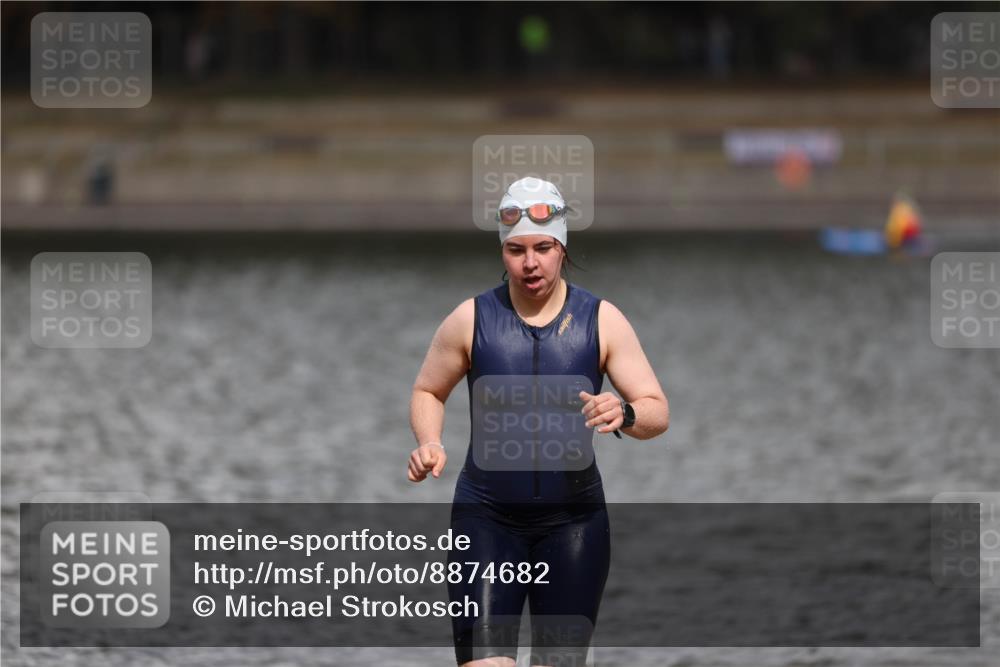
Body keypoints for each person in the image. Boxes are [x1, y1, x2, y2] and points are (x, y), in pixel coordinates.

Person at [408, 176, 669, 667]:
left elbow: (657, 410)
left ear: (562, 248)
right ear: (503, 253)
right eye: (516, 250)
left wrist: (625, 412)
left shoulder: (602, 319)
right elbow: (428, 389)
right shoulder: (470, 319)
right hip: (485, 520)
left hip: (574, 525)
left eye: (544, 248)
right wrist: (429, 441)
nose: (530, 263)